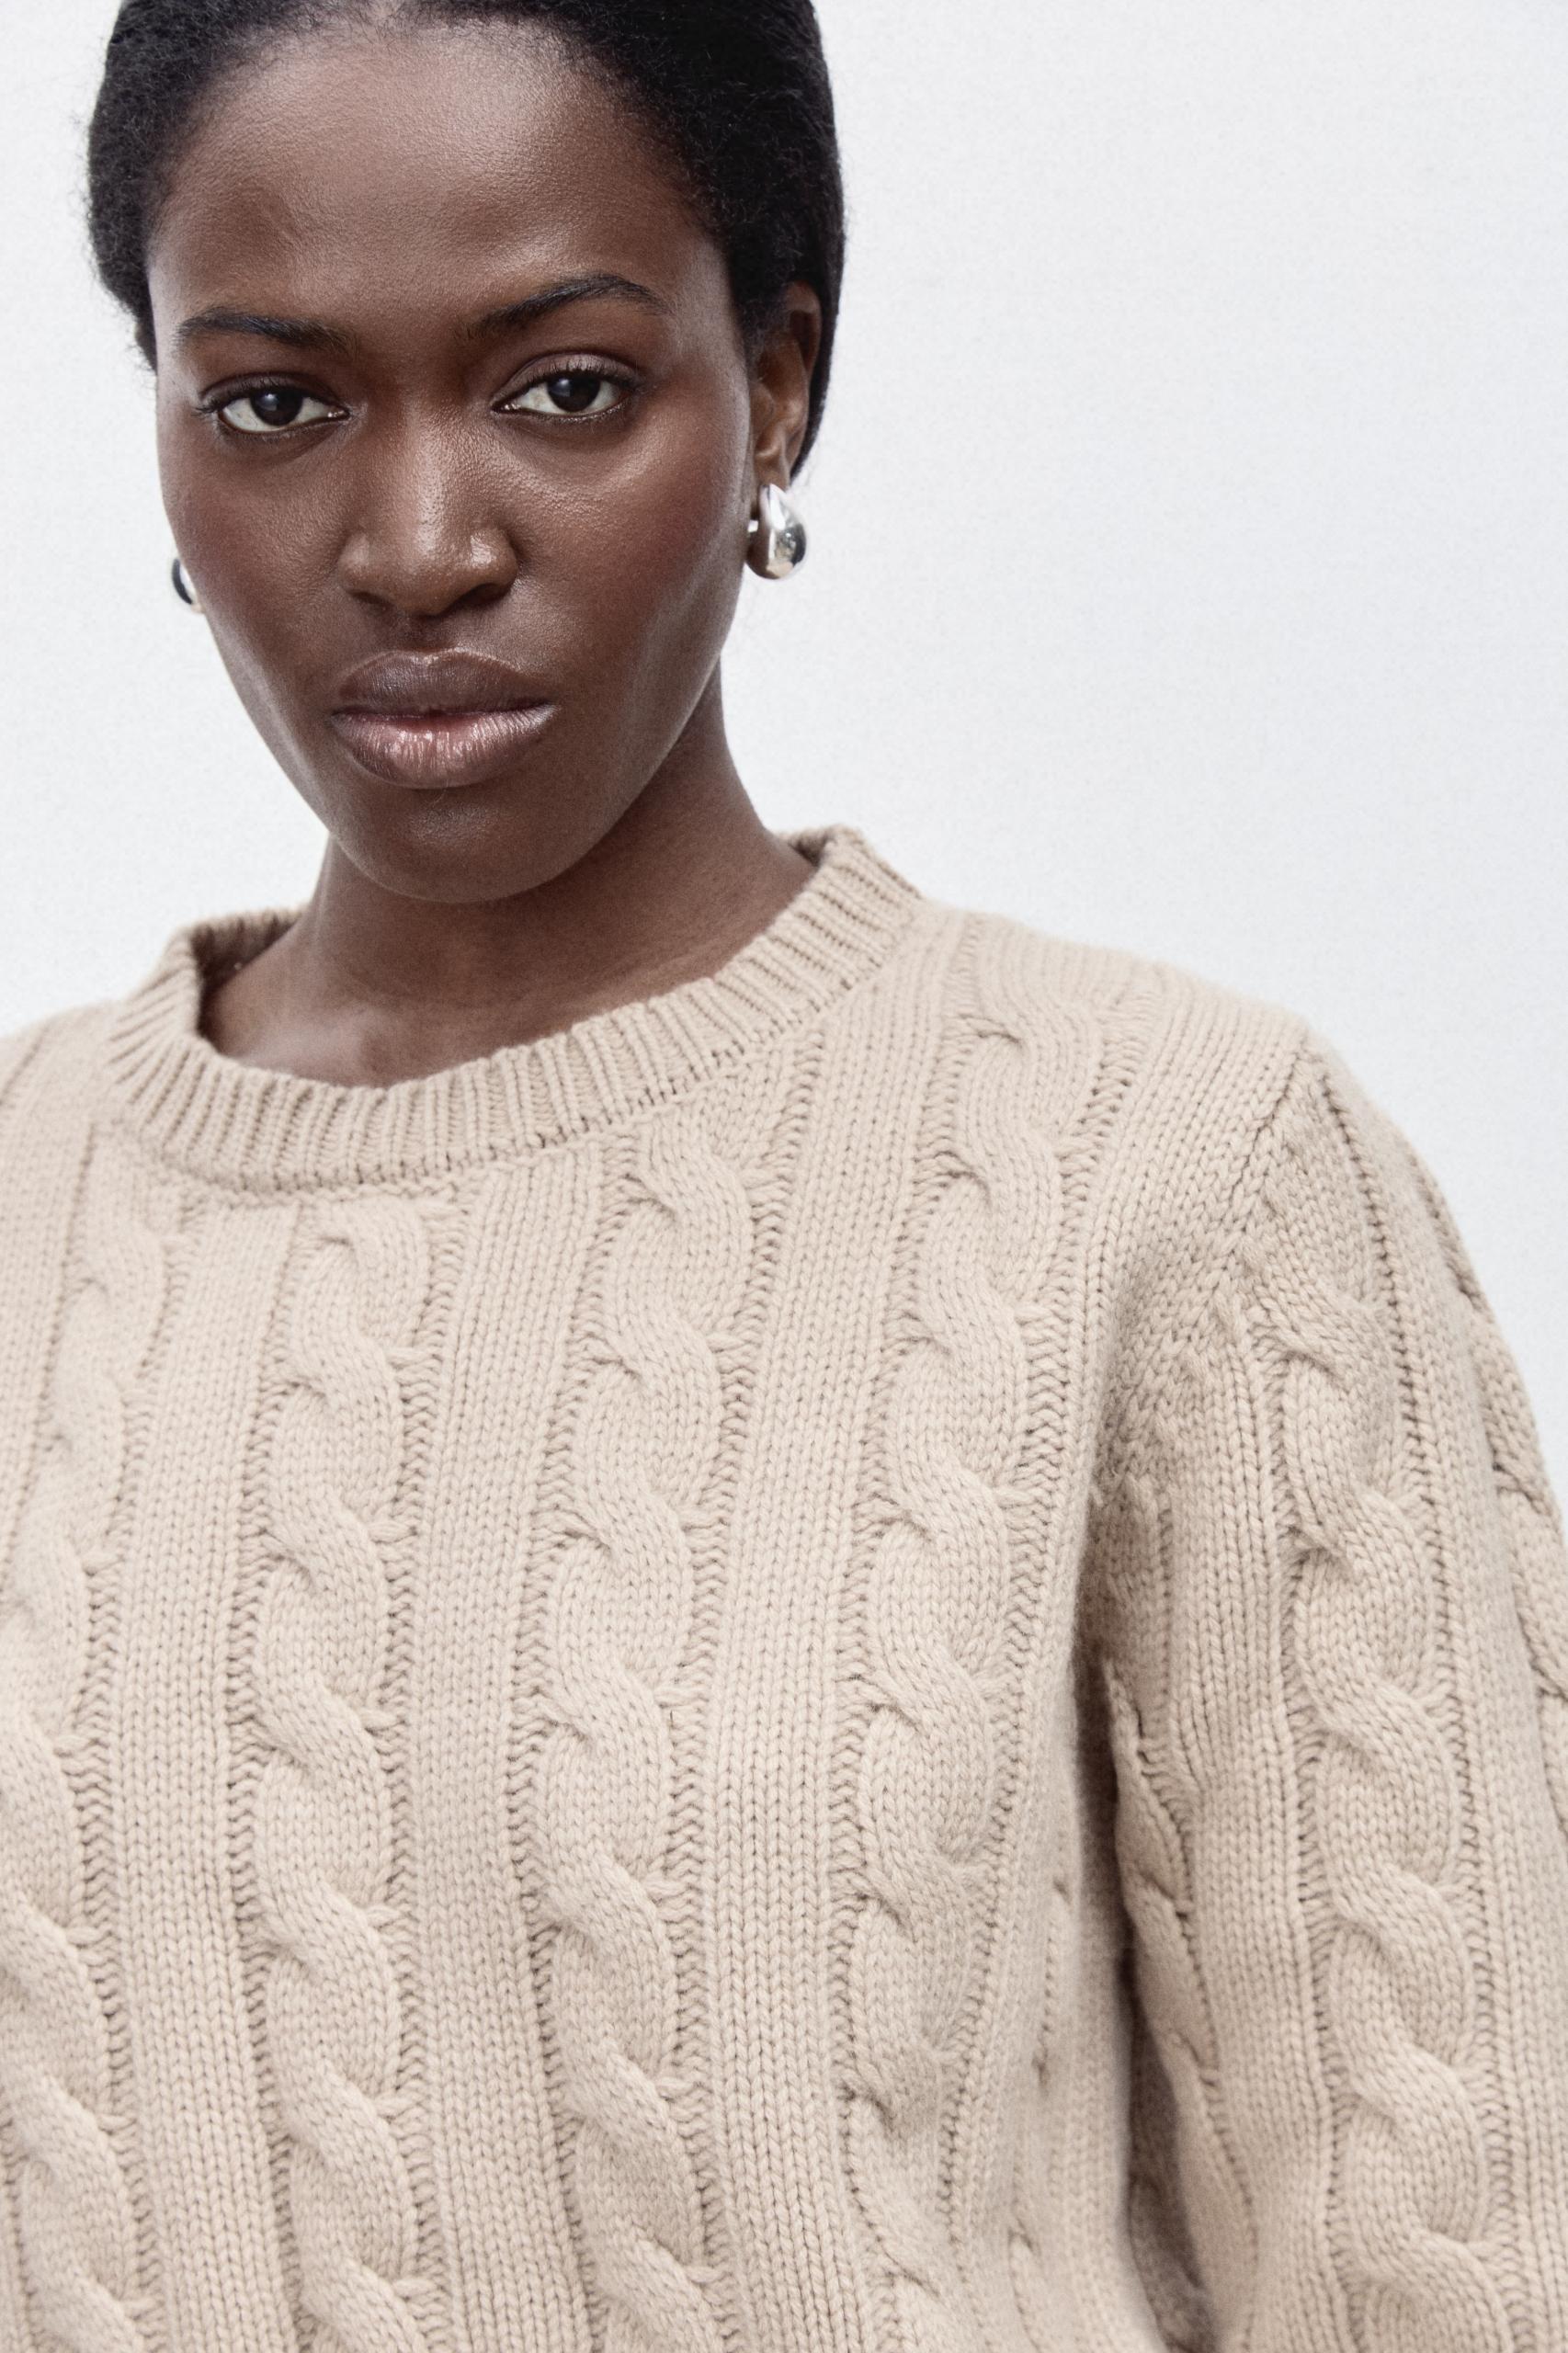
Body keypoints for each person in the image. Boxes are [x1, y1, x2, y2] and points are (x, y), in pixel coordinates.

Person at [2, 2, 1564, 2347]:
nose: (417, 546)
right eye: (274, 405)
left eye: (564, 388)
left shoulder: (1171, 1167)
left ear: (778, 384)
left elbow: (1458, 2266)